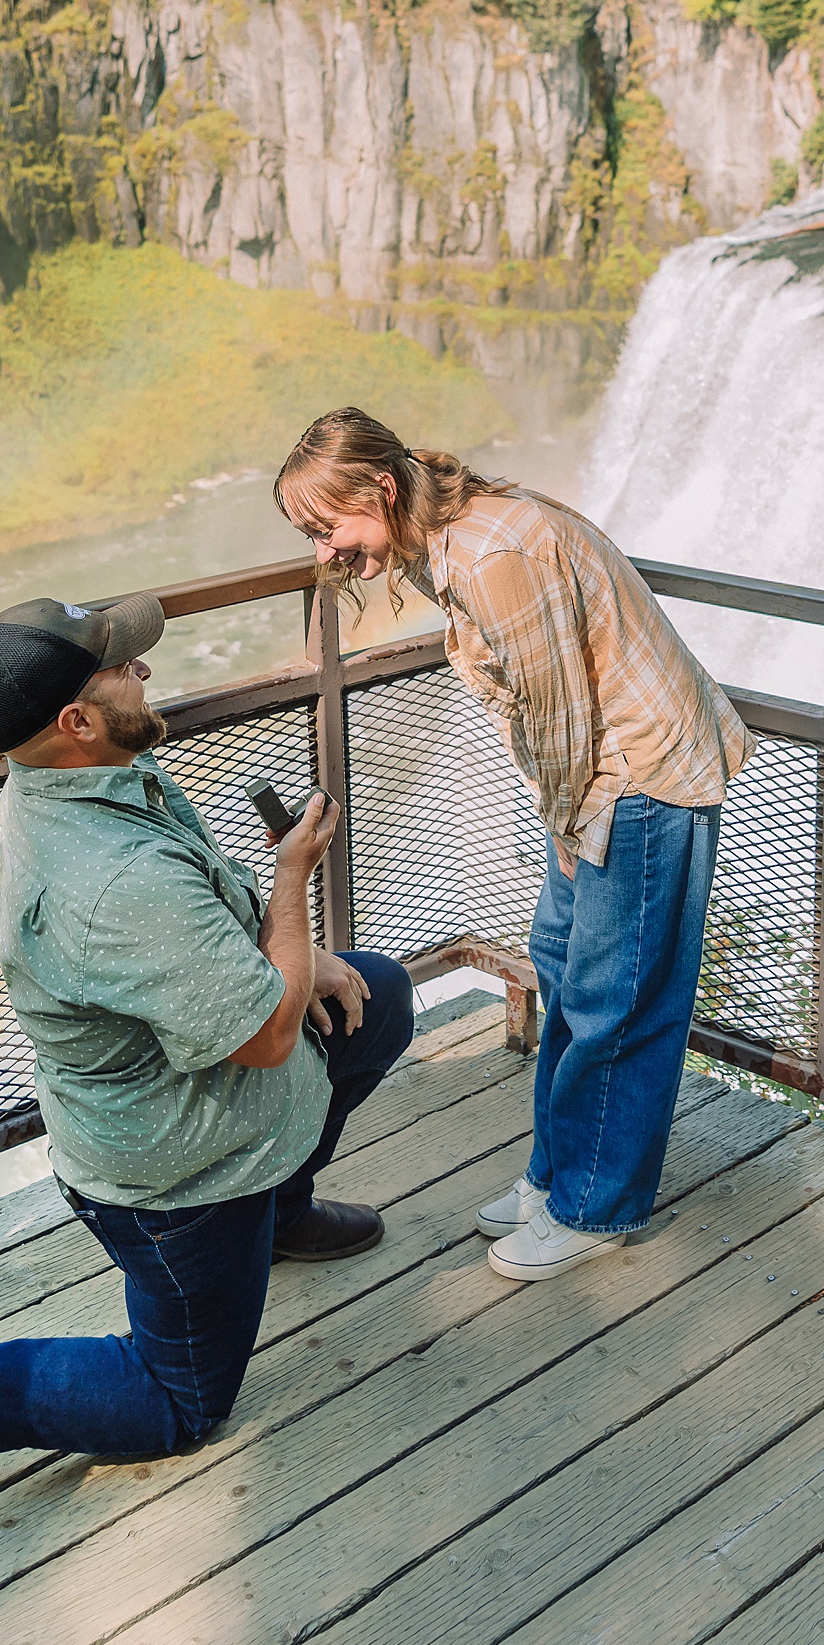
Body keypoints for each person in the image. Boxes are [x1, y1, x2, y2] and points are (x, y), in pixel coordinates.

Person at [0, 589, 413, 1533]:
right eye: (123, 667)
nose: (144, 671)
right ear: (76, 721)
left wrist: (304, 950)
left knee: (376, 998)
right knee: (176, 1404)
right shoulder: (114, 879)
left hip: (212, 1100)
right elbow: (267, 1038)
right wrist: (293, 881)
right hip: (181, 1177)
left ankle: (278, 1212)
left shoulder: (90, 773)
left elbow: (209, 912)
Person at [274, 410, 752, 1285]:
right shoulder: (438, 536)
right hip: (596, 781)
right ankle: (556, 1174)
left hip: (638, 778)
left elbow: (560, 712)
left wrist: (565, 828)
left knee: (618, 1003)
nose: (323, 551)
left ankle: (594, 1206)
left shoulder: (490, 554)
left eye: (327, 526)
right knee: (564, 968)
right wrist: (564, 820)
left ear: (381, 488)